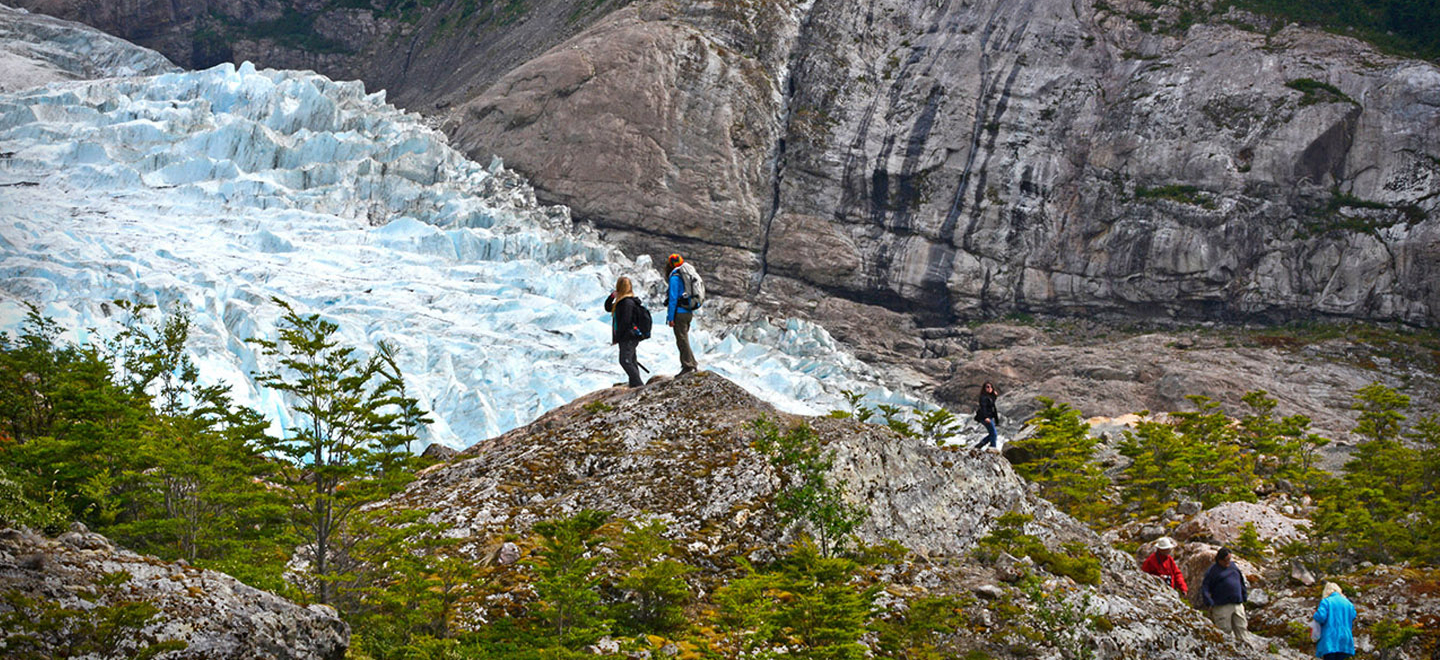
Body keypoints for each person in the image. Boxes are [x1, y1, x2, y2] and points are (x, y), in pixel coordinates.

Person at [1201, 547, 1249, 645]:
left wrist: (1244, 595)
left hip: (1237, 604)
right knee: (1224, 632)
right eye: (1226, 560)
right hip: (1221, 606)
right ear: (1220, 560)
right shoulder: (1213, 571)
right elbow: (1205, 587)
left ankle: (1247, 651)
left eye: (1229, 559)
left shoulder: (1233, 566)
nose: (1228, 562)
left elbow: (1240, 581)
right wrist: (1209, 602)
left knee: (1242, 629)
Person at [603, 277, 644, 388]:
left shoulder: (627, 303)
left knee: (625, 361)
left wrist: (619, 337)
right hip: (629, 336)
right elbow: (607, 307)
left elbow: (625, 322)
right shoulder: (622, 302)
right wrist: (612, 297)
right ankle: (634, 383)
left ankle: (639, 385)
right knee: (631, 360)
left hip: (628, 337)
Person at [665, 253, 698, 375]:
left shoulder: (675, 278)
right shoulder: (687, 278)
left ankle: (688, 366)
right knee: (684, 338)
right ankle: (692, 363)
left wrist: (670, 317)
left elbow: (673, 299)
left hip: (679, 312)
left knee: (682, 340)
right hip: (688, 311)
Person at [1313, 581, 1356, 660]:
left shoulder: (1326, 601)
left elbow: (1321, 617)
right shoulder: (1348, 603)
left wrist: (1315, 614)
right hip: (1345, 637)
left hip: (1330, 637)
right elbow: (1353, 616)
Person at [972, 382, 1000, 450]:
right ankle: (993, 447)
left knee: (992, 434)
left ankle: (980, 445)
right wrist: (986, 417)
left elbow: (991, 403)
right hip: (985, 417)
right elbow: (983, 407)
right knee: (994, 434)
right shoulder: (983, 397)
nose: (989, 388)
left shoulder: (989, 396)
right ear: (984, 388)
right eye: (987, 387)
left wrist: (994, 395)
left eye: (990, 387)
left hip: (989, 417)